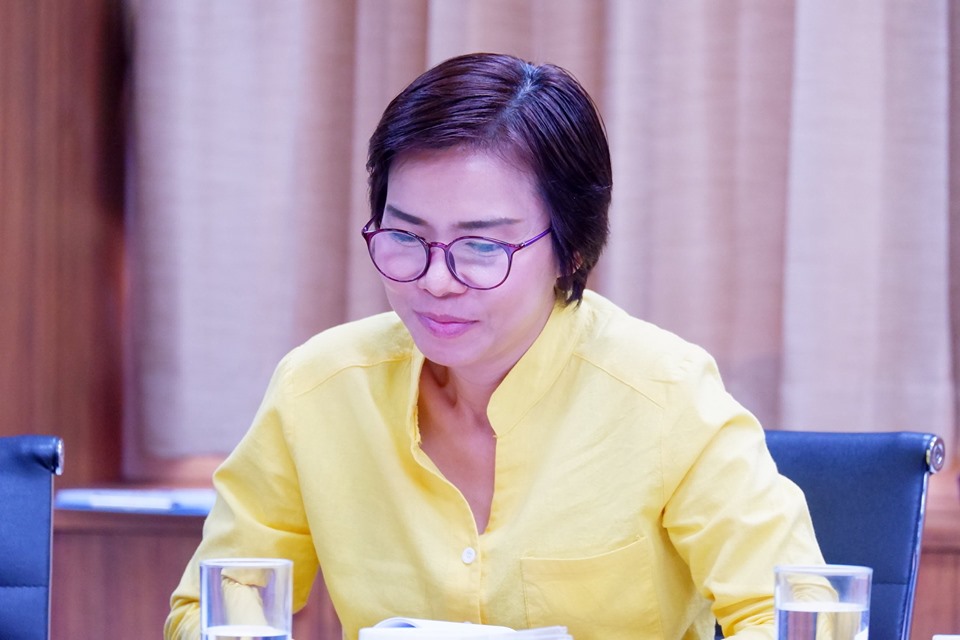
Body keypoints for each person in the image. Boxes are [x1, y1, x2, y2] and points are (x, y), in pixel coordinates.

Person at [164, 52, 823, 640]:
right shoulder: (320, 388)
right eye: (406, 237)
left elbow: (798, 617)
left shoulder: (665, 394)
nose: (436, 280)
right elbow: (214, 602)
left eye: (482, 246)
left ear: (571, 248)